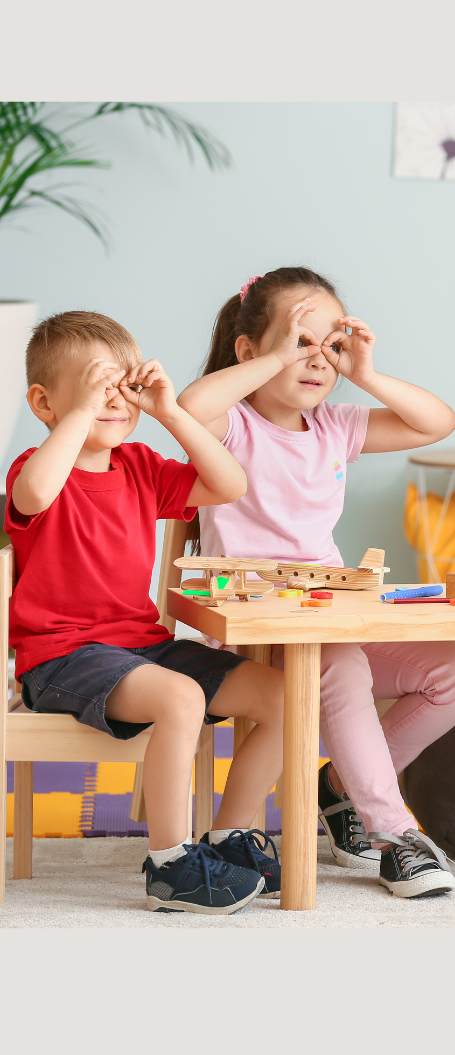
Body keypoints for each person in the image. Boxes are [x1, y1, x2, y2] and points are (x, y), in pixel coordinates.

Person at [177, 267, 455, 899]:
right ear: (249, 352)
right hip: (251, 633)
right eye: (301, 343)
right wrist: (270, 359)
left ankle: (344, 793)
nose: (318, 360)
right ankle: (393, 833)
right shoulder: (230, 426)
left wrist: (366, 373)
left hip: (332, 619)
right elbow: (189, 407)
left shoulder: (336, 426)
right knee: (341, 665)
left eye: (332, 345)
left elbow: (438, 422)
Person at [8, 312, 287, 914]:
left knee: (284, 696)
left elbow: (230, 483)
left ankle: (230, 836)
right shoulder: (35, 469)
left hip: (140, 646)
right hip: (60, 656)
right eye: (93, 387)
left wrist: (169, 412)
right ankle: (171, 865)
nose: (112, 401)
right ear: (44, 402)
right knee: (182, 696)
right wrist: (80, 411)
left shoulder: (139, 466)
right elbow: (33, 495)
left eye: (120, 387)